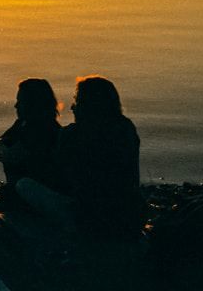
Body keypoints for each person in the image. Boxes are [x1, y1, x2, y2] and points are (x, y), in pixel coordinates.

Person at [53, 74, 141, 240]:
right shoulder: (126, 128)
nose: (72, 107)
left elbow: (60, 175)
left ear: (86, 105)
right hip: (131, 216)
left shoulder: (72, 135)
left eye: (76, 101)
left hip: (89, 218)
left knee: (25, 186)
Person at [0, 78, 64, 204]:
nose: (16, 106)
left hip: (36, 196)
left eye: (20, 101)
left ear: (33, 104)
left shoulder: (44, 131)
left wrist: (3, 148)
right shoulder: (21, 125)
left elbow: (8, 155)